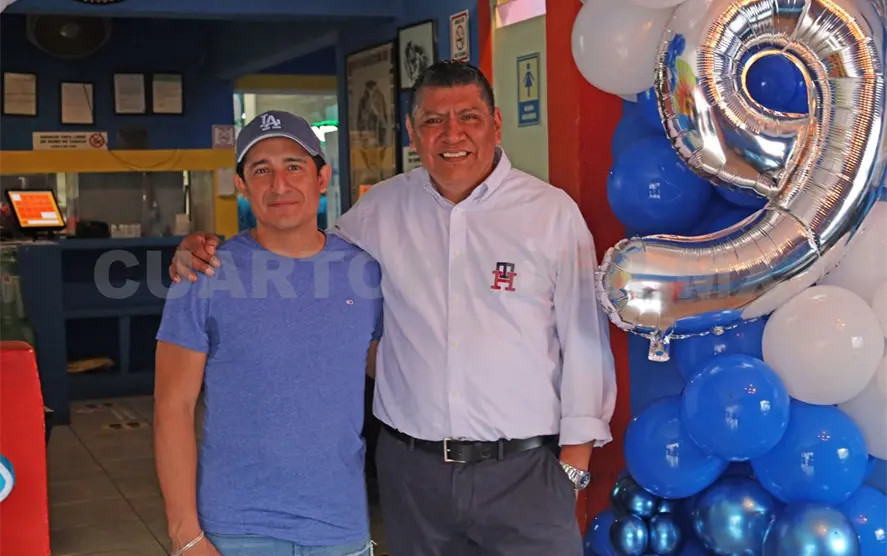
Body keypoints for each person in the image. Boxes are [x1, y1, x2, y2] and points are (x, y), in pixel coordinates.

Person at [170, 61, 617, 556]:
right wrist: (201, 249)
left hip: (525, 473)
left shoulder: (550, 214)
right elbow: (301, 245)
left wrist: (572, 469)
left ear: (496, 123)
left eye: (468, 117)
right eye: (433, 120)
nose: (452, 135)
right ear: (412, 131)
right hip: (413, 475)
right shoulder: (380, 210)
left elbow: (585, 340)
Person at [155, 110, 382, 556]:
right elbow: (172, 407)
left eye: (294, 166)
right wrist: (185, 535)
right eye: (262, 170)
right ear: (242, 185)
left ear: (322, 178)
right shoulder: (203, 273)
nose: (279, 185)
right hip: (236, 532)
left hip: (341, 529)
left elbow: (396, 373)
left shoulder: (365, 273)